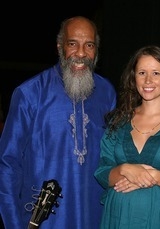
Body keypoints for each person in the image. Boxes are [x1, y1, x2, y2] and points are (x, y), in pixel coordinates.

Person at [0, 16, 116, 229]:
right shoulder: (30, 94)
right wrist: (14, 224)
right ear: (59, 47)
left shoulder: (107, 93)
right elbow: (7, 164)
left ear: (96, 50)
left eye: (89, 45)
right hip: (43, 220)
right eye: (73, 44)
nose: (81, 53)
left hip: (97, 217)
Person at [94, 45, 160, 229]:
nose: (148, 80)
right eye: (142, 72)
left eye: (156, 73)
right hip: (117, 217)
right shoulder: (118, 120)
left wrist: (150, 175)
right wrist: (125, 169)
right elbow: (102, 171)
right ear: (133, 77)